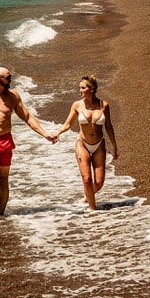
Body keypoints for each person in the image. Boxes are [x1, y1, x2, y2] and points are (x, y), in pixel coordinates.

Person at [0, 66, 56, 222]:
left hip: (4, 141)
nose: (11, 80)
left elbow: (27, 117)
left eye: (10, 77)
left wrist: (45, 133)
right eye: (8, 78)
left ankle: (0, 215)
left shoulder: (13, 97)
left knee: (3, 179)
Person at [52, 75, 119, 210]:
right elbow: (67, 124)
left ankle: (86, 197)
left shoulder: (104, 105)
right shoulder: (77, 105)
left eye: (83, 88)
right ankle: (93, 211)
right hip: (82, 144)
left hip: (99, 145)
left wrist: (114, 146)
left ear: (92, 89)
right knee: (87, 180)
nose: (80, 91)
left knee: (99, 183)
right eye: (80, 88)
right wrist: (57, 133)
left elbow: (109, 127)